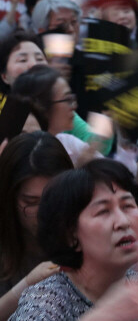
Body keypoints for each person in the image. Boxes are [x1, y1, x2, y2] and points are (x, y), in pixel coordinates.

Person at [9, 159, 138, 320]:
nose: (123, 222)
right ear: (70, 234)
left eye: (127, 206)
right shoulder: (45, 301)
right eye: (103, 211)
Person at [0, 132, 73, 319]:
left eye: (54, 197)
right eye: (31, 202)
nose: (45, 212)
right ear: (9, 199)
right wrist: (27, 284)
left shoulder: (86, 231)